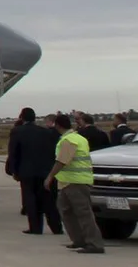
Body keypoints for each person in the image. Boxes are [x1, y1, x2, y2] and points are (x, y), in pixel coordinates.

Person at [47, 113, 103, 253]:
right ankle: (79, 240)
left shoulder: (69, 140)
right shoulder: (78, 138)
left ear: (57, 125)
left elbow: (62, 161)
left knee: (83, 213)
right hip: (68, 182)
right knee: (66, 211)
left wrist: (49, 177)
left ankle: (94, 244)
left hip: (75, 182)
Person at [6, 106, 63, 235]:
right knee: (49, 200)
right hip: (45, 170)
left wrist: (13, 170)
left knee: (31, 199)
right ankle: (56, 227)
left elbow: (13, 152)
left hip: (26, 171)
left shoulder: (17, 131)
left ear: (22, 118)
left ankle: (35, 227)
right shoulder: (46, 132)